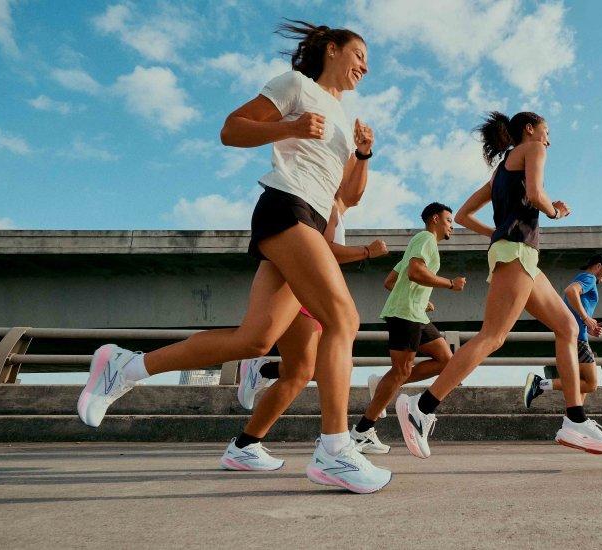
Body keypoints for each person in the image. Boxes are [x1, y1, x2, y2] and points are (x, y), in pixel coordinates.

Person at [76, 20, 392, 493]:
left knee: (256, 339)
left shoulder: (346, 119)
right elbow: (231, 129)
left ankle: (126, 366)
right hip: (287, 206)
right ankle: (334, 449)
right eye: (359, 54)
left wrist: (364, 154)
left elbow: (349, 195)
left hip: (310, 216)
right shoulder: (296, 87)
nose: (365, 66)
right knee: (342, 319)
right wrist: (289, 126)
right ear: (332, 50)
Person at [395, 111, 602, 458]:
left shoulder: (500, 171)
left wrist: (498, 234)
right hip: (516, 253)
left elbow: (467, 214)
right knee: (492, 337)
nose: (548, 139)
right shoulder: (532, 149)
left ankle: (575, 419)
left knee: (566, 328)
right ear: (529, 130)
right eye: (546, 131)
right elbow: (536, 192)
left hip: (519, 254)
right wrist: (556, 211)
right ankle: (421, 407)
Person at [225, 196, 389, 470]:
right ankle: (335, 447)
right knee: (310, 365)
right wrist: (367, 252)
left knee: (303, 371)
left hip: (307, 291)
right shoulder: (323, 201)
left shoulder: (332, 206)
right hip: (300, 293)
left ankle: (246, 441)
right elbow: (320, 249)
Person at [350, 203, 466, 454]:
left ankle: (382, 383)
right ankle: (362, 431)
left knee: (447, 360)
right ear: (435, 219)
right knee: (401, 371)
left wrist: (422, 299)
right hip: (406, 315)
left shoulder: (416, 246)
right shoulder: (426, 239)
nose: (452, 227)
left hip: (415, 313)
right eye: (449, 220)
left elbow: (391, 281)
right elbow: (415, 272)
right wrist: (450, 284)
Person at [522, 254, 602, 453]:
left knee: (583, 382)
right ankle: (541, 385)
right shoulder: (589, 278)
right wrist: (586, 318)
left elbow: (573, 299)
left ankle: (574, 426)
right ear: (598, 266)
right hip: (577, 339)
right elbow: (570, 292)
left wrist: (589, 325)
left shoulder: (585, 278)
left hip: (580, 337)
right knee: (591, 383)